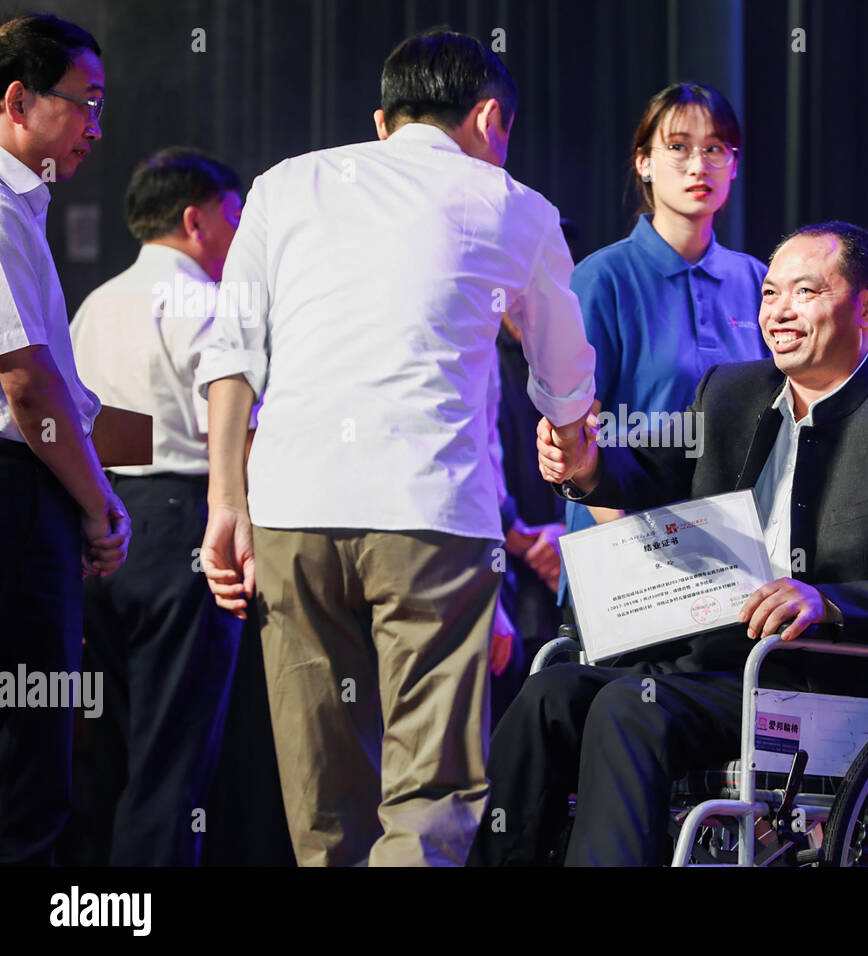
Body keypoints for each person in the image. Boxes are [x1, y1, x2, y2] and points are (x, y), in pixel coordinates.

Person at [468, 221, 868, 867]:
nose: (780, 311)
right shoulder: (731, 392)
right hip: (707, 662)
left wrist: (826, 600)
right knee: (552, 694)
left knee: (632, 708)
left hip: (818, 679)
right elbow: (648, 470)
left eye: (805, 291)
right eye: (771, 293)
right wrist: (585, 465)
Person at [194, 29, 595, 867]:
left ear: (383, 121)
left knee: (323, 798)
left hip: (291, 511)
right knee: (432, 793)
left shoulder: (283, 184)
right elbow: (565, 384)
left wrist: (224, 504)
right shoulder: (513, 203)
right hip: (432, 519)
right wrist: (573, 450)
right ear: (490, 116)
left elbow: (231, 353)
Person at [65, 147, 245, 865]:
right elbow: (233, 420)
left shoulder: (95, 302)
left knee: (102, 751)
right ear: (196, 220)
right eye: (234, 218)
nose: (240, 237)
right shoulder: (202, 299)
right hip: (181, 524)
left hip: (99, 525)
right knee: (173, 755)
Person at [0, 13, 130, 867]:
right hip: (16, 495)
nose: (94, 126)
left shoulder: (26, 208)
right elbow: (27, 384)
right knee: (29, 755)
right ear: (17, 99)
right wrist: (99, 505)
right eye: (84, 103)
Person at [560, 82, 768, 573]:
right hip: (621, 550)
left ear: (733, 164)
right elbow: (576, 430)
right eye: (678, 147)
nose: (699, 165)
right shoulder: (602, 278)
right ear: (643, 162)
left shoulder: (759, 280)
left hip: (731, 553)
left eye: (715, 148)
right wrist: (637, 549)